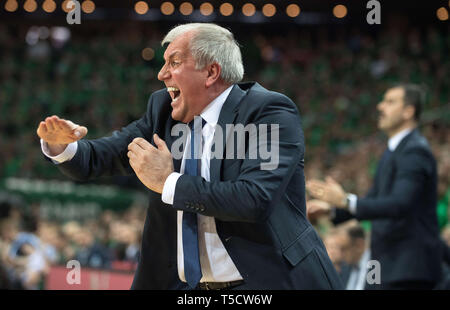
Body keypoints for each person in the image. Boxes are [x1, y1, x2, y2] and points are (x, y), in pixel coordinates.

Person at [36, 23, 342, 290]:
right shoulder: (162, 111)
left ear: (211, 72)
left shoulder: (268, 112)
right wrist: (62, 146)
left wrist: (168, 182)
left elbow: (255, 199)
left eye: (174, 61)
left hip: (270, 282)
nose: (161, 73)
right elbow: (101, 156)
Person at [306, 84, 442, 289]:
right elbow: (374, 200)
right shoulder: (392, 152)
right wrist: (333, 211)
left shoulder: (415, 150)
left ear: (409, 111)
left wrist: (346, 201)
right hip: (388, 262)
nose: (380, 107)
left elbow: (400, 204)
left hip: (409, 265)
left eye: (390, 101)